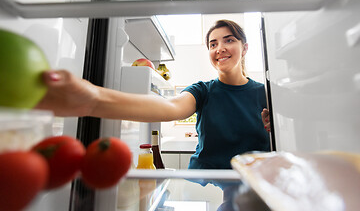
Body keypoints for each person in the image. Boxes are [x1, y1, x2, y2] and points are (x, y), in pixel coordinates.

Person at [36, 19, 271, 170]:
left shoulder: (266, 94)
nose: (219, 48)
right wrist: (93, 100)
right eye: (212, 44)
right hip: (204, 182)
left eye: (228, 40)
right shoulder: (203, 90)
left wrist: (276, 126)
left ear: (245, 47)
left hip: (253, 184)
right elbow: (169, 108)